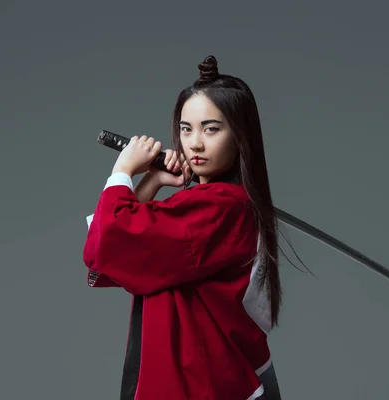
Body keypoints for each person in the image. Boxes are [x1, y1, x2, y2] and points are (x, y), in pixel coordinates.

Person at [83, 55, 282, 400]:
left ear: (240, 136)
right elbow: (107, 248)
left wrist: (123, 170)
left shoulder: (220, 207)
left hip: (202, 384)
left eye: (211, 128)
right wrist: (154, 180)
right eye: (186, 129)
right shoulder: (203, 207)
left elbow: (112, 240)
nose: (195, 144)